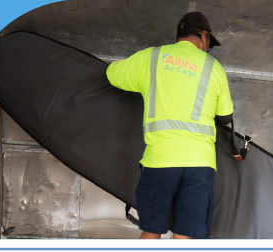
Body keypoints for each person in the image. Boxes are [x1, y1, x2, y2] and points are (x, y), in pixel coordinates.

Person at [105, 12, 233, 239]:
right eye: (209, 44)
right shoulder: (214, 68)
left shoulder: (151, 58)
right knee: (185, 234)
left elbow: (112, 74)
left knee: (151, 229)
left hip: (159, 161)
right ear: (203, 35)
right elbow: (224, 117)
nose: (207, 48)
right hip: (198, 164)